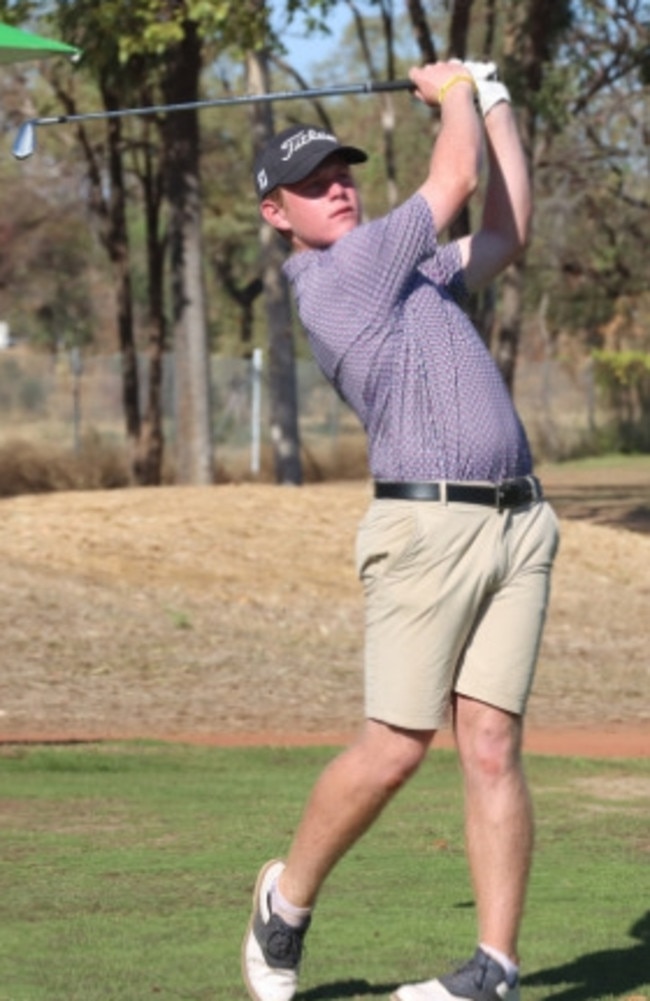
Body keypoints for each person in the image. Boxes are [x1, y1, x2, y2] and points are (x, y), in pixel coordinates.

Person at [242, 60, 560, 1001]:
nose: (336, 188)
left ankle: (492, 971)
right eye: (311, 184)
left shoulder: (410, 265)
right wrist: (453, 90)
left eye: (342, 173)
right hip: (425, 531)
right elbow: (454, 179)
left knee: (493, 744)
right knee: (394, 746)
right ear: (278, 217)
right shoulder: (337, 276)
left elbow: (507, 229)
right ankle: (286, 901)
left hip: (518, 524)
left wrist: (495, 99)